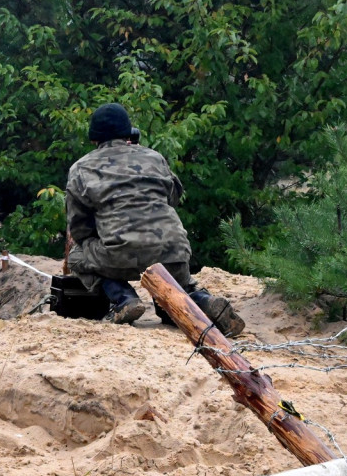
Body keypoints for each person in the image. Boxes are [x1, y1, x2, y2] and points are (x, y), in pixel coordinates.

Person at [64, 103, 245, 335]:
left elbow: (79, 226)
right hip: (173, 251)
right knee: (178, 289)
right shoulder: (155, 157)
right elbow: (173, 197)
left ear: (93, 137)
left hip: (120, 256)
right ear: (129, 132)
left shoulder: (81, 168)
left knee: (78, 254)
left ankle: (124, 298)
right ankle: (203, 301)